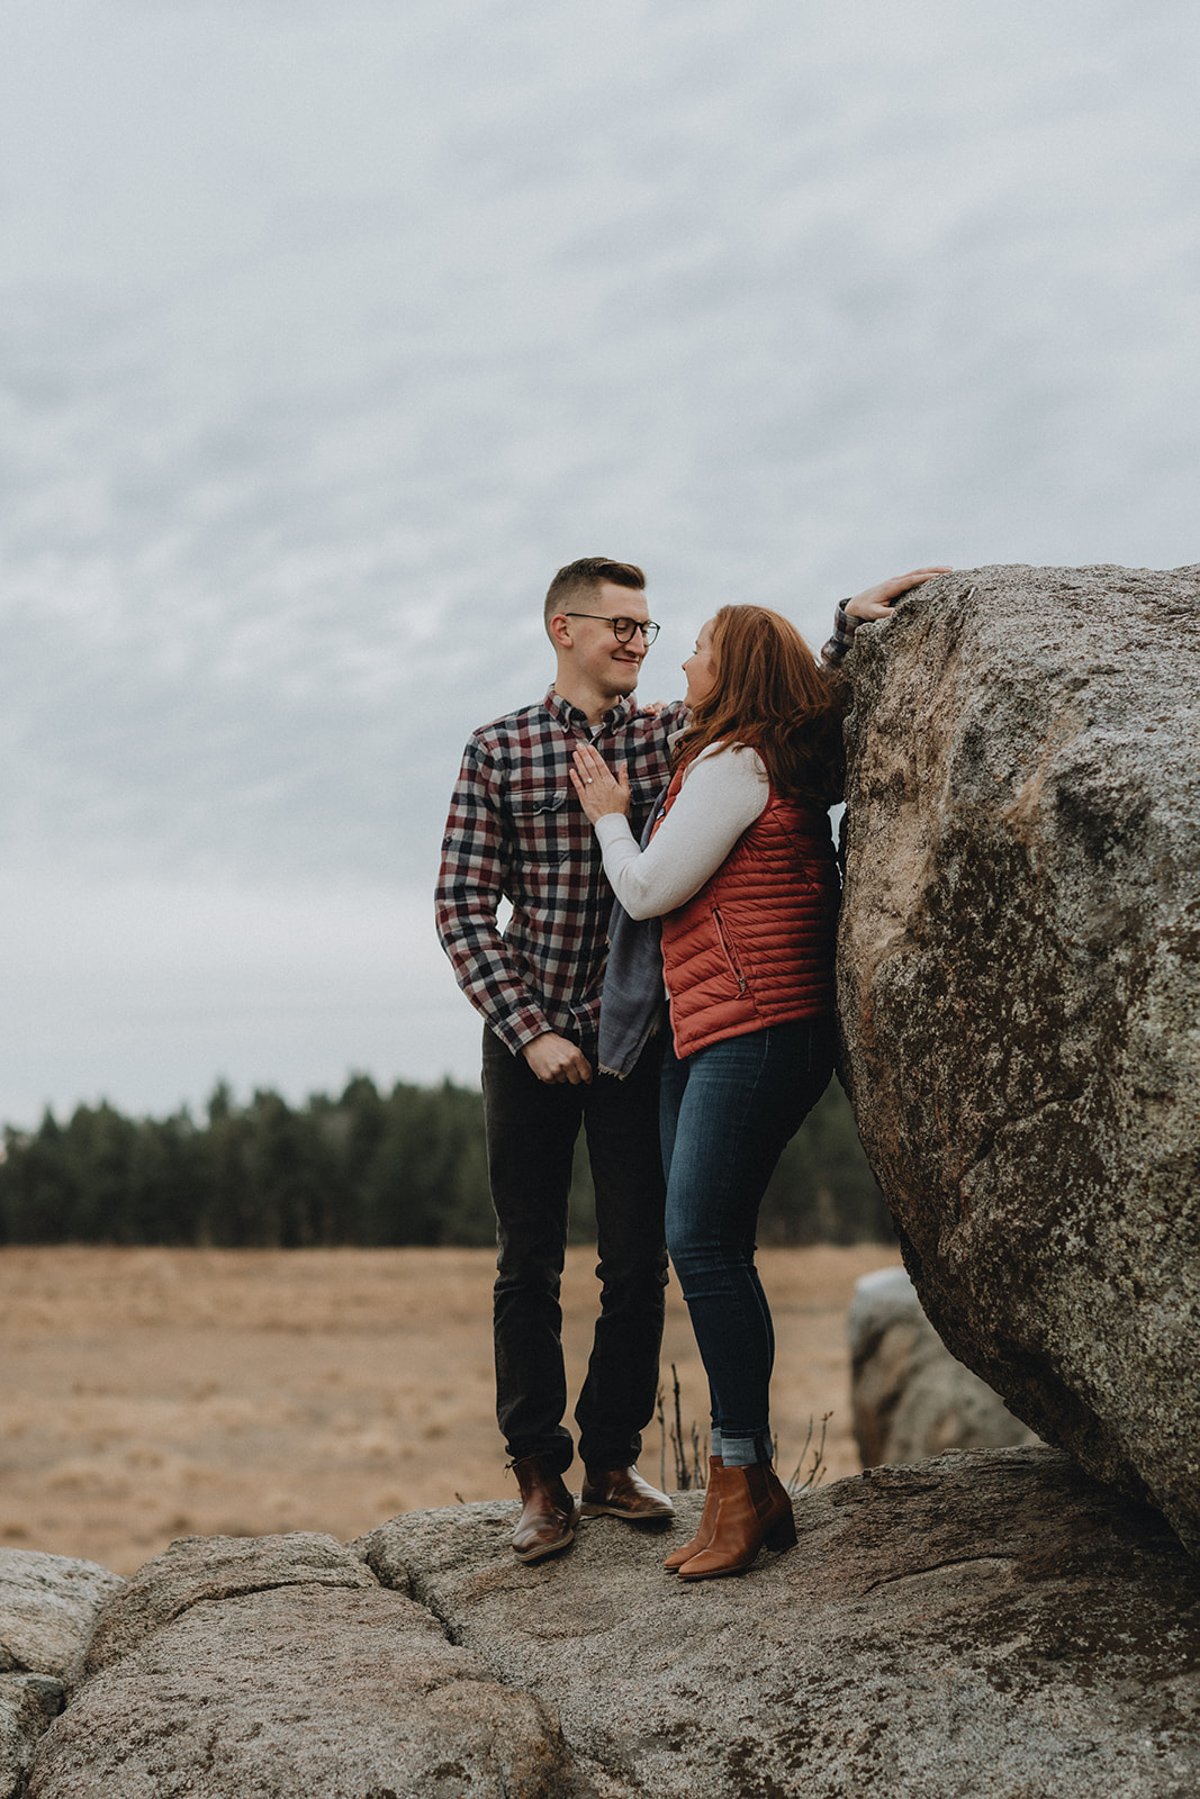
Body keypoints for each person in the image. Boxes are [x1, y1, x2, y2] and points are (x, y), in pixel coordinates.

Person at [570, 568, 946, 1580]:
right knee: (707, 1242)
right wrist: (847, 624)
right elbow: (816, 692)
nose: (682, 659)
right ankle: (753, 1482)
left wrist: (610, 812)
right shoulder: (752, 753)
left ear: (731, 673)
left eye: (698, 648)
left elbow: (648, 888)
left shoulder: (735, 761)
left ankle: (742, 1477)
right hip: (715, 1029)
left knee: (702, 1241)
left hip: (758, 1027)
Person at [435, 557, 686, 1562]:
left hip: (635, 1038)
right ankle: (538, 1473)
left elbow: (774, 704)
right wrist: (530, 1028)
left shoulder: (670, 736)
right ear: (562, 629)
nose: (635, 639)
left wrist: (850, 623)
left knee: (638, 1261)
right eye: (618, 624)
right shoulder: (500, 748)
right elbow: (462, 907)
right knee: (525, 1260)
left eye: (645, 626)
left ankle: (613, 1459)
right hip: (526, 1038)